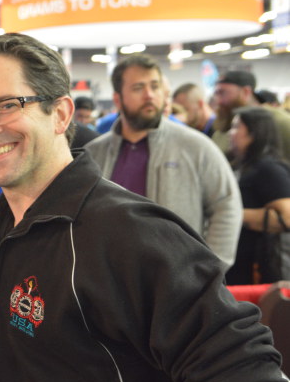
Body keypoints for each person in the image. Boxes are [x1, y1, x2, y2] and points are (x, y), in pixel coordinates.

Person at [0, 30, 287, 382]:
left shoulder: (125, 233)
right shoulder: (1, 226)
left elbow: (249, 378)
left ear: (61, 113)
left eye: (6, 106)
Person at [84, 54, 242, 268]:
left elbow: (227, 205)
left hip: (179, 278)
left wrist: (211, 269)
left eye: (155, 86)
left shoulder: (196, 147)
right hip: (109, 277)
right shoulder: (94, 154)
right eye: (138, 88)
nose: (149, 95)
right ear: (118, 99)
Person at [224, 106, 290, 284]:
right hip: (240, 262)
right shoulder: (240, 166)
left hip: (259, 268)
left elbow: (286, 217)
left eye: (236, 127)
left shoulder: (269, 168)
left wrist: (229, 214)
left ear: (253, 133)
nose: (230, 133)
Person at [212, 70, 290, 160]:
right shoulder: (223, 127)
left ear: (246, 92)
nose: (219, 101)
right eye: (216, 94)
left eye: (223, 93)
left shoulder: (279, 122)